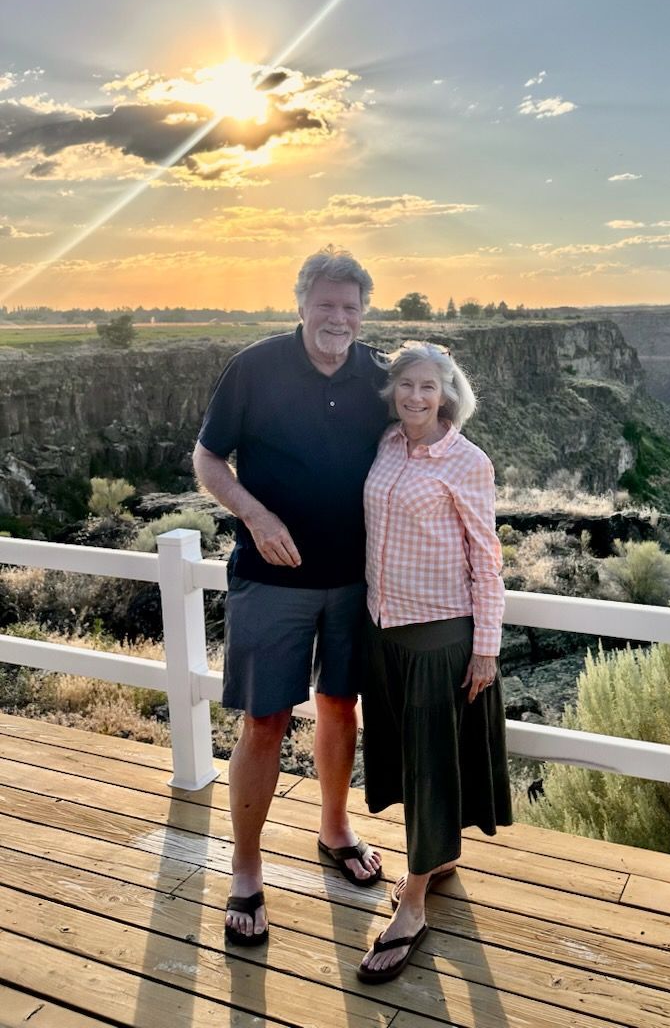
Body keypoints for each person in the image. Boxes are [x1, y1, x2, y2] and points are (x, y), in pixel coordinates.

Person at [193, 248, 390, 946]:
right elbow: (208, 459)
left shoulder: (381, 375)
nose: (338, 317)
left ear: (362, 312)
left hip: (355, 580)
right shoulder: (255, 367)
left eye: (350, 306)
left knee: (341, 705)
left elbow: (428, 440)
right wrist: (255, 514)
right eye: (326, 303)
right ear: (301, 302)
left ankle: (334, 829)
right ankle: (245, 871)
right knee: (266, 720)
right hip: (271, 578)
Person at [357, 342, 512, 983]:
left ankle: (413, 902)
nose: (417, 398)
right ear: (393, 390)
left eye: (429, 387)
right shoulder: (388, 443)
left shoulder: (468, 461)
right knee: (410, 757)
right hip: (383, 631)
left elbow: (488, 557)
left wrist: (486, 648)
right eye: (406, 385)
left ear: (447, 394)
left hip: (438, 639)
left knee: (429, 769)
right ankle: (437, 859)